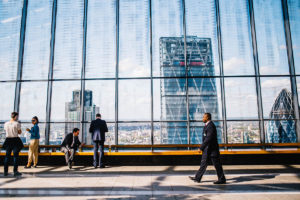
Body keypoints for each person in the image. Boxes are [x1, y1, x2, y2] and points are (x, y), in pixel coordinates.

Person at [189, 113, 226, 184]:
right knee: (203, 163)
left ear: (207, 118)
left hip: (212, 150)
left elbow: (208, 138)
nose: (202, 118)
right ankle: (197, 178)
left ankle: (222, 179)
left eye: (204, 117)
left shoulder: (210, 126)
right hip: (207, 149)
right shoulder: (207, 125)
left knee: (217, 165)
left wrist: (201, 147)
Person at [3, 112, 24, 176]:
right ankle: (15, 171)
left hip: (8, 140)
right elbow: (19, 132)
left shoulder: (6, 123)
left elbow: (5, 130)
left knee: (7, 156)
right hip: (15, 140)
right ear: (15, 116)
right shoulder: (17, 123)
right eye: (17, 116)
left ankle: (5, 171)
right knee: (15, 156)